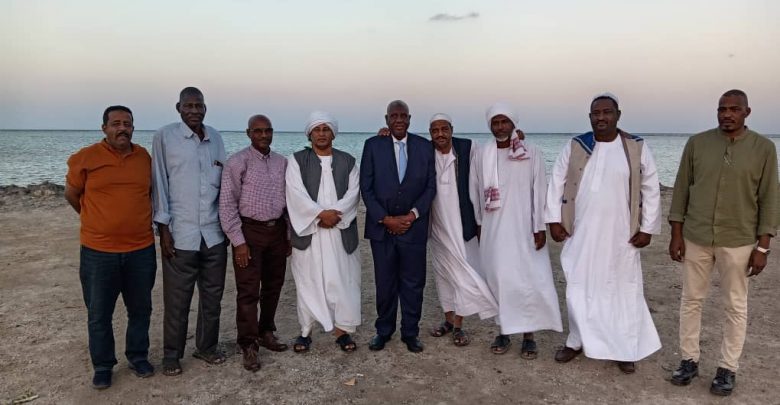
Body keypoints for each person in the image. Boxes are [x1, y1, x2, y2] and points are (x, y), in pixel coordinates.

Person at [668, 89, 778, 396]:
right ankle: (688, 360)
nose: (727, 114)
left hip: (739, 239)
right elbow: (681, 189)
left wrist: (763, 247)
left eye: (734, 109)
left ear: (747, 112)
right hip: (697, 235)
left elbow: (770, 198)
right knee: (691, 300)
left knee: (735, 305)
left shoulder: (764, 148)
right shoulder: (697, 143)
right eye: (722, 109)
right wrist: (676, 233)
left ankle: (728, 368)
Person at [545, 92, 661, 374]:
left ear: (618, 115)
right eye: (596, 113)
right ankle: (576, 341)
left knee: (622, 288)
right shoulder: (577, 145)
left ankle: (624, 348)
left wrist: (647, 228)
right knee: (578, 285)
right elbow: (556, 181)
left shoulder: (635, 146)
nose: (601, 118)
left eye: (607, 112)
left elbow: (651, 187)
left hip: (621, 234)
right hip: (580, 231)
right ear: (589, 117)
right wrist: (553, 220)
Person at [65, 105, 157, 389]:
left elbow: (149, 194)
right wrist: (96, 221)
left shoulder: (143, 158)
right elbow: (72, 194)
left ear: (133, 127)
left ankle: (138, 356)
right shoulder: (85, 158)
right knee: (99, 313)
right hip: (98, 252)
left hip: (141, 249)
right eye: (116, 123)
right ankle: (103, 366)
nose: (122, 128)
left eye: (127, 123)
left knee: (140, 309)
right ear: (104, 128)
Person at [470, 102, 562, 359]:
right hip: (493, 231)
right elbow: (474, 191)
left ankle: (529, 336)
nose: (500, 127)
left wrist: (539, 226)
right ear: (490, 126)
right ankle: (504, 331)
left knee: (527, 281)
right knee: (500, 281)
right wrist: (479, 224)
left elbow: (539, 190)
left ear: (513, 124)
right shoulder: (482, 154)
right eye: (495, 123)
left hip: (525, 230)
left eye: (505, 122)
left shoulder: (531, 152)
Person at [152, 87, 228, 376]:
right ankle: (172, 355)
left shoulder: (216, 138)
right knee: (177, 300)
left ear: (205, 108)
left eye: (199, 106)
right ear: (179, 107)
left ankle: (206, 347)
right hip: (180, 234)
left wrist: (227, 227)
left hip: (213, 234)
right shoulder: (165, 137)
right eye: (189, 105)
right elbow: (159, 184)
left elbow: (224, 185)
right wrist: (163, 230)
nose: (194, 111)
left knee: (212, 297)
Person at [360, 100, 436, 353]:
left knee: (413, 284)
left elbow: (430, 186)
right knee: (385, 284)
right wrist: (385, 218)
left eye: (403, 115)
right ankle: (383, 331)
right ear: (387, 119)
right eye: (394, 116)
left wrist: (412, 216)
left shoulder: (425, 147)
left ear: (410, 119)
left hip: (414, 229)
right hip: (382, 230)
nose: (399, 120)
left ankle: (410, 333)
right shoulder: (373, 145)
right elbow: (366, 188)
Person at [286, 111, 362, 354]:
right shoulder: (296, 160)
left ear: (333, 134)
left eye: (326, 129)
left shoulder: (348, 161)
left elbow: (353, 194)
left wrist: (334, 215)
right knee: (307, 281)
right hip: (311, 231)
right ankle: (305, 331)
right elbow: (295, 194)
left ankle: (342, 331)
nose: (321, 134)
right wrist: (320, 215)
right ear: (309, 134)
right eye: (317, 129)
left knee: (343, 280)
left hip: (340, 231)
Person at [219, 114, 290, 372]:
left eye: (267, 130)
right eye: (257, 131)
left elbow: (289, 201)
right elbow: (227, 204)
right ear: (248, 133)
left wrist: (288, 235)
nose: (263, 135)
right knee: (248, 291)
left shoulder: (282, 162)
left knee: (273, 285)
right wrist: (238, 242)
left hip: (277, 231)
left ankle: (266, 331)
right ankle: (248, 344)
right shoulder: (237, 162)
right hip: (249, 232)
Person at [424, 113, 499, 346]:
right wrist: (385, 135)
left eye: (444, 129)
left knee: (463, 273)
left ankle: (458, 325)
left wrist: (515, 138)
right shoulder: (424, 150)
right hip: (437, 226)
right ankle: (448, 321)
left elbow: (491, 157)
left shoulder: (468, 147)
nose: (440, 134)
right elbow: (401, 147)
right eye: (435, 130)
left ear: (452, 129)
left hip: (463, 224)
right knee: (443, 275)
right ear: (430, 133)